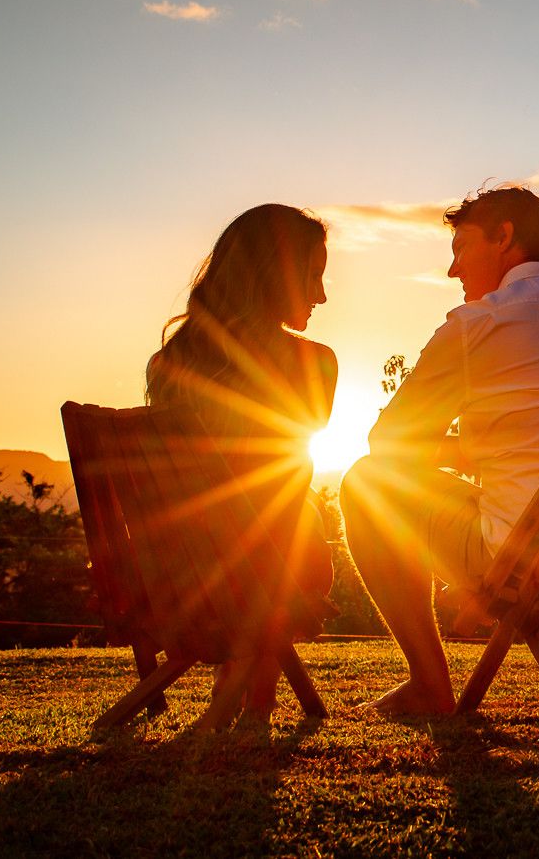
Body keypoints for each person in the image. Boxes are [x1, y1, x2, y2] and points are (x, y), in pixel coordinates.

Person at [340, 184, 539, 715]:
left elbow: (389, 443)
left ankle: (428, 683)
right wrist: (489, 451)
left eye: (460, 249)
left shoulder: (477, 326)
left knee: (366, 481)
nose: (453, 271)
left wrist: (465, 457)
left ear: (505, 238)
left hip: (525, 569)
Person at [147, 202, 337, 720]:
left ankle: (244, 679)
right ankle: (254, 690)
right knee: (294, 521)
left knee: (270, 527)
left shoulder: (168, 364)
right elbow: (289, 476)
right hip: (266, 573)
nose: (322, 294)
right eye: (313, 276)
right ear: (274, 276)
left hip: (170, 577)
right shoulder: (314, 363)